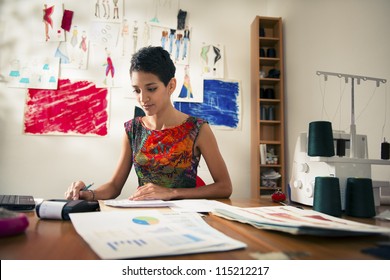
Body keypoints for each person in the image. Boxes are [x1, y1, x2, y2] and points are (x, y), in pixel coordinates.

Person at [65, 46, 232, 201]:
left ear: (171, 85)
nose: (143, 99)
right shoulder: (133, 129)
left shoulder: (198, 129)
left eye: (151, 89)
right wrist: (87, 194)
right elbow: (115, 186)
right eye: (137, 90)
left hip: (186, 218)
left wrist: (171, 193)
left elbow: (225, 187)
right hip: (145, 216)